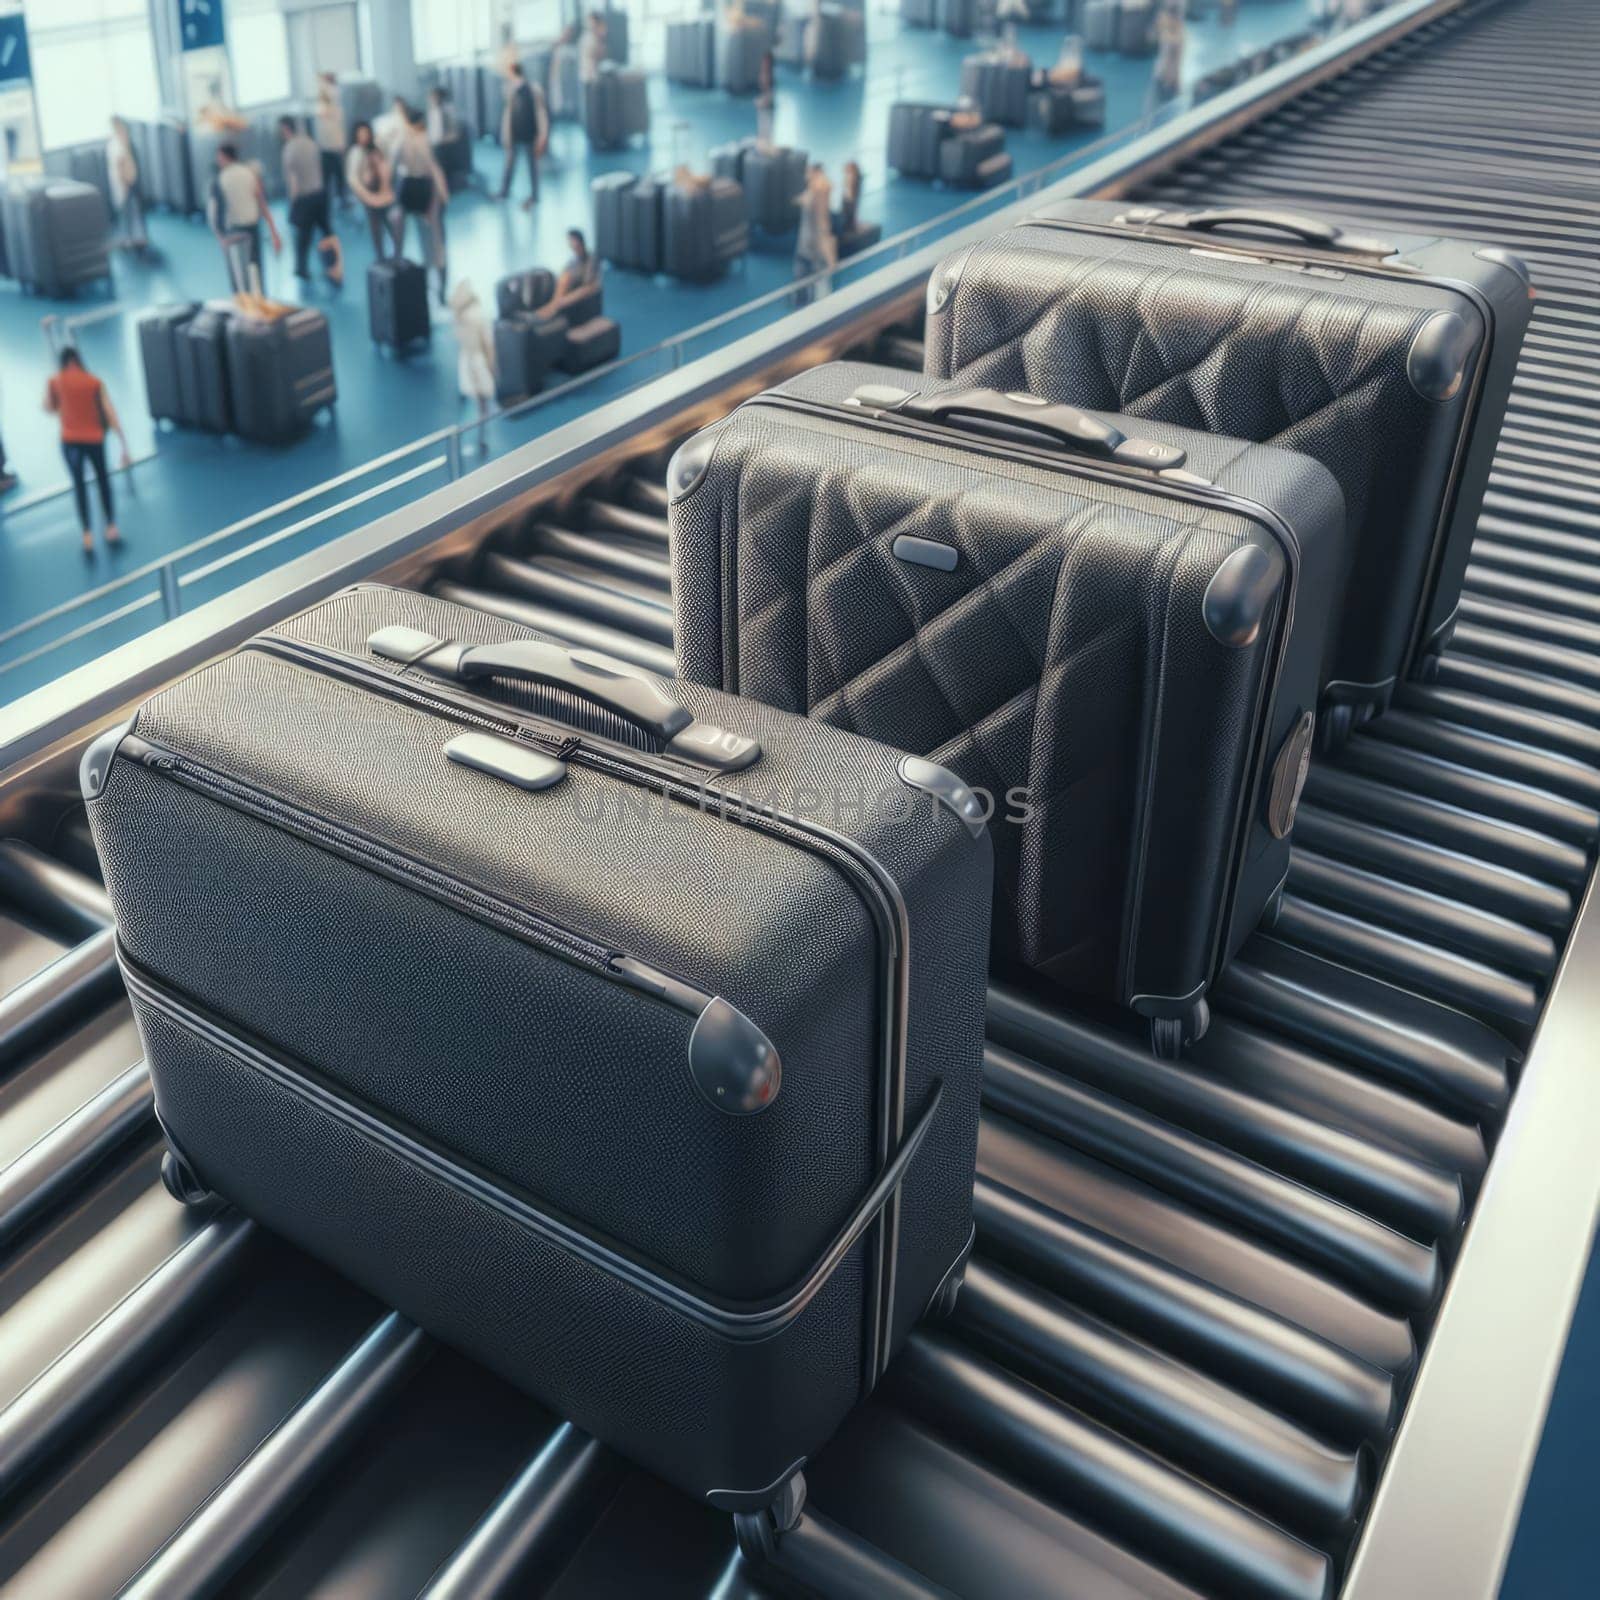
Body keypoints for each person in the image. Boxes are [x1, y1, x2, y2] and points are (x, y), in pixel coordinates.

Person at [44, 347, 129, 555]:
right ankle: (110, 526)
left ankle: (87, 535)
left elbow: (49, 407)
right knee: (103, 481)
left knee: (79, 486)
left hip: (70, 441)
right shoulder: (94, 382)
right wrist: (124, 445)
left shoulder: (56, 381)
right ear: (78, 360)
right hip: (94, 440)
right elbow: (110, 413)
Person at [391, 110, 451, 304]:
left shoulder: (417, 140)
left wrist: (439, 198)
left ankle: (439, 286)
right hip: (415, 186)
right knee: (429, 239)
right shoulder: (415, 140)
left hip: (421, 187)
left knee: (433, 240)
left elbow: (433, 171)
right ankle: (405, 271)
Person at [279, 116, 342, 286]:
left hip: (304, 198)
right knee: (327, 232)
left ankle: (302, 269)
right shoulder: (311, 143)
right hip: (320, 194)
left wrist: (292, 205)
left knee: (303, 237)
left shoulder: (289, 149)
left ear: (285, 129)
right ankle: (335, 269)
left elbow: (292, 182)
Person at [208, 144, 280, 290]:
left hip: (233, 233)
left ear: (223, 157)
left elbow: (212, 214)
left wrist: (220, 238)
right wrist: (274, 233)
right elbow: (262, 205)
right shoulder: (250, 174)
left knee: (238, 279)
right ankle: (260, 304)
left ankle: (243, 306)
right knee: (256, 273)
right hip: (253, 229)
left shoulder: (220, 179)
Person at [449, 280, 496, 444]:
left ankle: (479, 426)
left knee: (476, 394)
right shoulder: (478, 315)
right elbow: (487, 342)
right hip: (478, 360)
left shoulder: (458, 317)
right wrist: (492, 363)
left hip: (468, 359)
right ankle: (482, 427)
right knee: (482, 396)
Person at [499, 63, 549, 209]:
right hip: (514, 134)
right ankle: (504, 191)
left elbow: (541, 112)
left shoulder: (533, 89)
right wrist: (506, 134)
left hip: (529, 134)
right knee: (510, 164)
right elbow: (508, 114)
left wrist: (542, 134)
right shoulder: (510, 91)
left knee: (532, 165)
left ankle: (535, 195)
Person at [346, 120, 394, 261]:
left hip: (382, 192)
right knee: (376, 228)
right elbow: (353, 179)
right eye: (360, 134)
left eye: (366, 133)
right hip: (369, 194)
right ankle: (380, 257)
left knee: (390, 223)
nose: (364, 136)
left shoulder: (375, 149)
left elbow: (386, 167)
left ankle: (395, 254)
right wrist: (367, 196)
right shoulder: (356, 152)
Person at [793, 162, 836, 302]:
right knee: (803, 284)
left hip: (814, 251)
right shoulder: (811, 191)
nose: (806, 176)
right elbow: (803, 200)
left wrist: (830, 257)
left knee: (818, 287)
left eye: (809, 173)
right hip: (805, 247)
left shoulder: (819, 193)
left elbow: (823, 225)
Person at [105, 116, 147, 253]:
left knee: (131, 211)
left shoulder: (122, 142)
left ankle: (134, 238)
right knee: (128, 211)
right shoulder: (116, 144)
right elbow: (120, 166)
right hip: (125, 184)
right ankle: (131, 240)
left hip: (129, 182)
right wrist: (125, 184)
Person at [314, 73, 349, 209]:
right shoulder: (322, 106)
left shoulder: (334, 101)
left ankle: (341, 198)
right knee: (328, 176)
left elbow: (328, 96)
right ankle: (330, 200)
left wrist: (321, 84)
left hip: (335, 145)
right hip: (326, 146)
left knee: (338, 174)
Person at [1147, 3, 1185, 111]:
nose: (1160, 20)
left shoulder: (1176, 38)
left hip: (1168, 81)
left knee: (1164, 111)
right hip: (1160, 77)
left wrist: (1172, 82)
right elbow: (1152, 38)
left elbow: (1175, 62)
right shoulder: (1167, 32)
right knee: (1153, 110)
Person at [553, 228, 599, 306]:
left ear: (579, 241)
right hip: (573, 287)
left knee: (581, 289)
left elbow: (588, 281)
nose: (570, 244)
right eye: (569, 241)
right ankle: (555, 305)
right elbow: (563, 275)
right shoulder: (572, 261)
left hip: (586, 288)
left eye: (572, 240)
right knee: (565, 278)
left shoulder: (591, 258)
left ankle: (556, 305)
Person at [834, 159, 861, 239]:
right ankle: (847, 227)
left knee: (849, 214)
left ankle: (850, 228)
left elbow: (851, 189)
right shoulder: (849, 175)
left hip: (850, 199)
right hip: (847, 198)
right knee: (846, 214)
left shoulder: (853, 177)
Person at [580, 11, 608, 87]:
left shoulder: (596, 37)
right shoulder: (588, 37)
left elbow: (601, 54)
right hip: (588, 76)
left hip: (594, 76)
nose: (589, 24)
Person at [755, 50, 776, 147]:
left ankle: (765, 146)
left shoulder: (768, 77)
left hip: (767, 109)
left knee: (766, 130)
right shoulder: (763, 75)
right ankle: (763, 144)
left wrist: (762, 102)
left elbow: (769, 96)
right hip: (764, 109)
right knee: (762, 130)